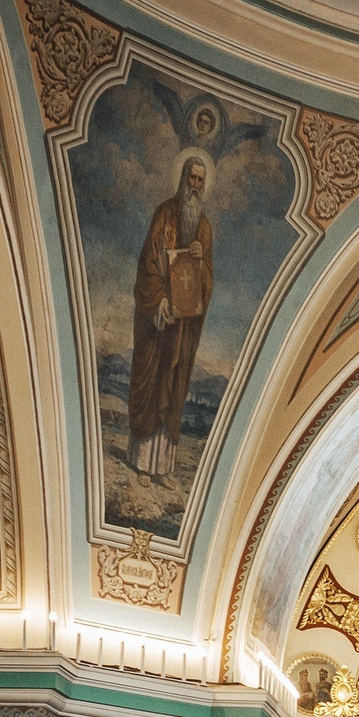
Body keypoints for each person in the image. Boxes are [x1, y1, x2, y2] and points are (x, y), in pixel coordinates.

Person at [127, 150, 213, 480]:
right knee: (151, 381)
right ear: (182, 179)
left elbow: (208, 278)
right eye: (191, 177)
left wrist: (201, 261)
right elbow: (148, 261)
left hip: (183, 328)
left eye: (200, 180)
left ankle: (162, 467)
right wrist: (160, 298)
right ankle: (141, 463)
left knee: (174, 385)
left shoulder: (203, 228)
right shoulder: (164, 213)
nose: (195, 185)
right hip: (158, 319)